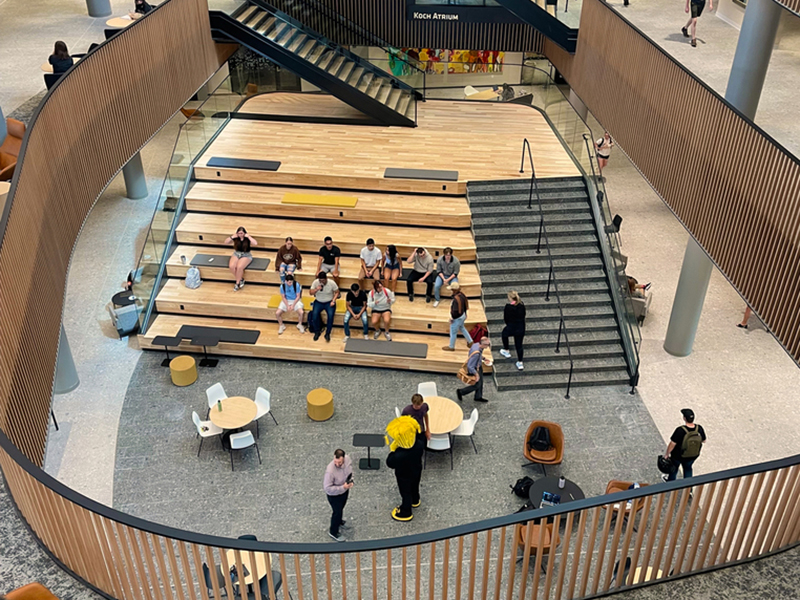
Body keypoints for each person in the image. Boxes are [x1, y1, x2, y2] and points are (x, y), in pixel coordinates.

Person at [386, 416, 424, 522]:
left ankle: (406, 512)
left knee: (405, 493)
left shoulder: (399, 455)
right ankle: (415, 500)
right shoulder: (419, 444)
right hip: (417, 470)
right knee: (414, 487)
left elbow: (390, 463)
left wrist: (393, 450)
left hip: (404, 476)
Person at [663, 408, 707, 482]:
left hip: (678, 456)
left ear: (684, 418)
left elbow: (672, 444)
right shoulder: (699, 428)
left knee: (674, 468)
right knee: (688, 468)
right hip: (692, 455)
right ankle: (688, 489)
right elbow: (704, 440)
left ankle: (670, 483)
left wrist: (667, 454)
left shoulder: (680, 430)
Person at [323, 449, 353, 542]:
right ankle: (333, 531)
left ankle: (339, 521)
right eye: (335, 462)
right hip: (334, 495)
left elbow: (350, 471)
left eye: (339, 462)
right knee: (337, 512)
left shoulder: (347, 460)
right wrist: (342, 487)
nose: (337, 464)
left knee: (342, 507)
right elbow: (327, 488)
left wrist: (351, 481)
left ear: (343, 458)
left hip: (344, 491)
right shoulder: (330, 471)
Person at [457, 337, 491, 403]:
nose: (488, 346)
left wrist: (484, 358)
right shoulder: (476, 354)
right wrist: (476, 374)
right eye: (487, 344)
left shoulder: (476, 345)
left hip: (478, 366)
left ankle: (478, 396)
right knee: (477, 384)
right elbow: (470, 366)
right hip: (475, 369)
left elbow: (475, 354)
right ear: (483, 345)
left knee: (480, 383)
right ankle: (461, 392)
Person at [499, 291, 526, 371]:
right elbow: (524, 315)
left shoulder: (508, 307)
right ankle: (520, 362)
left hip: (512, 326)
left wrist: (509, 324)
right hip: (521, 327)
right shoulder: (521, 305)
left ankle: (506, 350)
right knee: (519, 345)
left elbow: (506, 318)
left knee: (504, 334)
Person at [224, 227, 257, 291]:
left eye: (241, 233)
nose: (240, 235)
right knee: (232, 266)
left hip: (246, 254)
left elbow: (255, 243)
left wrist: (249, 236)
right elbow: (226, 242)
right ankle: (241, 279)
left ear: (244, 233)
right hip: (236, 254)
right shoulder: (236, 238)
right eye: (239, 233)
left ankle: (237, 283)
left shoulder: (247, 239)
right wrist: (232, 237)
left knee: (239, 267)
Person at [309, 271, 339, 342]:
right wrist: (316, 289)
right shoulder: (316, 282)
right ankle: (317, 331)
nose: (322, 282)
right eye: (320, 280)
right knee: (314, 315)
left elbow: (337, 292)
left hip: (329, 302)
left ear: (326, 279)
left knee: (331, 316)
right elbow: (310, 292)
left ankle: (328, 333)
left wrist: (333, 300)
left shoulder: (331, 283)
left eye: (323, 280)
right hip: (318, 301)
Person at [442, 282, 472, 352]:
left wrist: (452, 318)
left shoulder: (456, 299)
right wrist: (465, 314)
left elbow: (455, 311)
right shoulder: (462, 295)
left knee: (453, 332)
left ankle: (451, 347)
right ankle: (470, 342)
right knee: (462, 328)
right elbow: (465, 305)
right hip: (463, 315)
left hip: (457, 318)